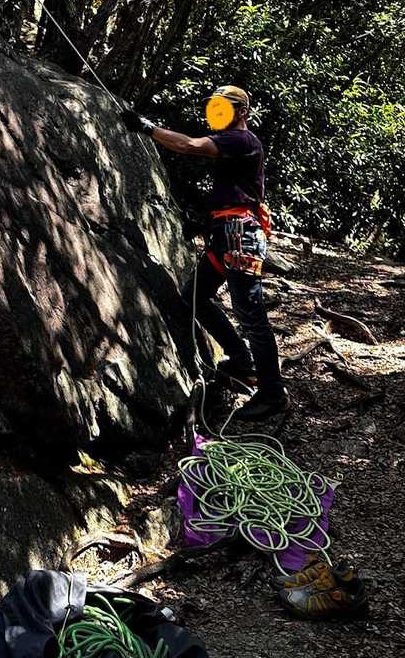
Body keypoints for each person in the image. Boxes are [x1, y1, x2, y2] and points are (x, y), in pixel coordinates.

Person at [123, 84, 289, 419]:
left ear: (241, 111)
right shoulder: (234, 142)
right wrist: (202, 224)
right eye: (214, 107)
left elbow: (188, 145)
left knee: (252, 316)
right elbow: (233, 192)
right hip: (226, 236)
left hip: (240, 239)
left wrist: (147, 128)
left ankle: (272, 394)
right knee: (194, 299)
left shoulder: (241, 140)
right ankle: (241, 361)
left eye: (223, 107)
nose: (216, 112)